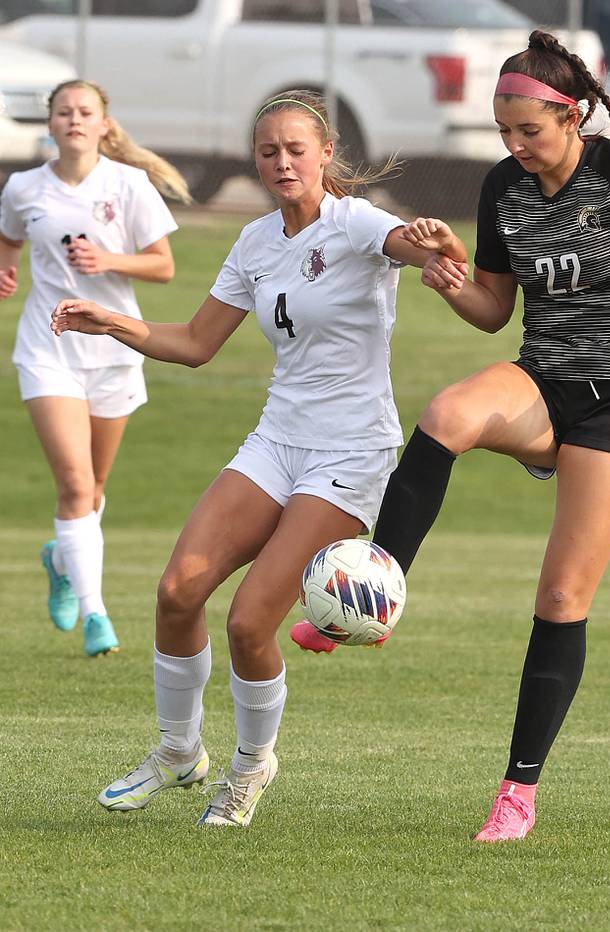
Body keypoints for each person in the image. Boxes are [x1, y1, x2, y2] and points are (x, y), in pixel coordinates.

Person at [291, 31, 610, 842]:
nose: (514, 146)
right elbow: (495, 310)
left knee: (563, 595)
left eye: (528, 131)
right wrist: (454, 282)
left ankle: (517, 793)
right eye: (504, 132)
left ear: (570, 117)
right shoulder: (504, 187)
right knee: (447, 414)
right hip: (543, 380)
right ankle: (374, 594)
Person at [50, 90, 467, 827]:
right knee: (179, 590)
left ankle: (249, 769)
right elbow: (197, 343)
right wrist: (111, 320)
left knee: (249, 622)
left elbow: (418, 247)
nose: (281, 162)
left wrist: (435, 240)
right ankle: (179, 751)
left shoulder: (357, 223)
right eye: (268, 150)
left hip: (350, 451)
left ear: (326, 154)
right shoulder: (254, 242)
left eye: (295, 149)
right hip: (277, 439)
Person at [0, 79, 189, 657]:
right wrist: (5, 270)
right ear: (51, 124)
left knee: (95, 487)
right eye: (64, 112)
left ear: (104, 124)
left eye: (86, 112)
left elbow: (163, 267)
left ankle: (61, 558)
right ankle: (96, 615)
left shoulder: (127, 184)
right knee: (76, 485)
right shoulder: (23, 187)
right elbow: (7, 240)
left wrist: (108, 259)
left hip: (113, 349)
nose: (75, 120)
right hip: (47, 347)